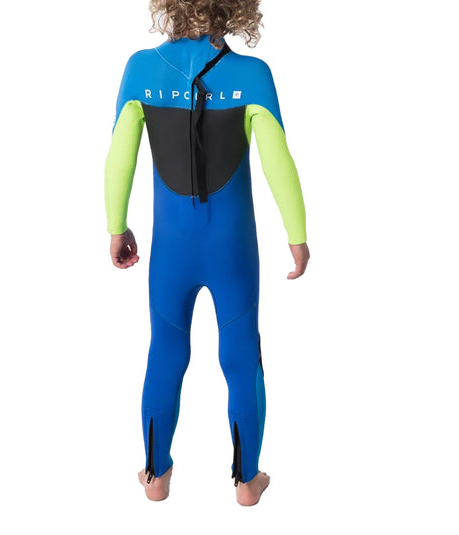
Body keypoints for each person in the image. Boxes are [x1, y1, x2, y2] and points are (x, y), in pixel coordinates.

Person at [104, 0, 310, 506]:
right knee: (241, 357)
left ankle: (155, 476)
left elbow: (119, 156)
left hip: (170, 252)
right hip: (232, 249)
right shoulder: (253, 75)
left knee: (165, 351)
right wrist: (297, 235)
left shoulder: (141, 69)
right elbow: (278, 160)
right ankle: (248, 481)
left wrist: (116, 227)